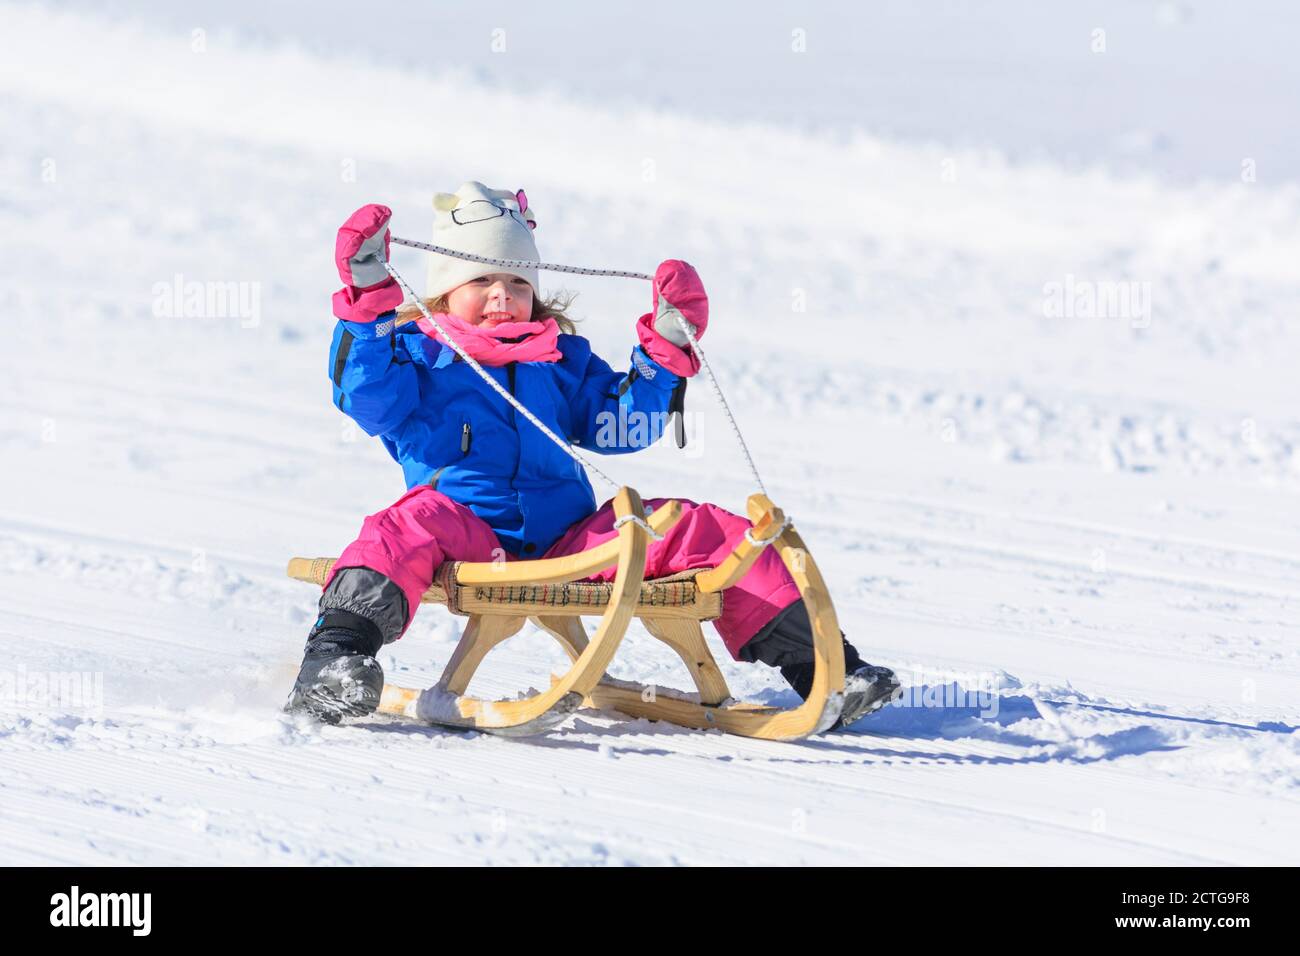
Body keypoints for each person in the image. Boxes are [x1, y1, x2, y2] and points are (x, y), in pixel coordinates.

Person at [285, 181, 900, 728]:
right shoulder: (417, 355)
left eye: (518, 282)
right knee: (401, 526)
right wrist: (367, 304)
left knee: (696, 526)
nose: (503, 296)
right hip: (465, 530)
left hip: (569, 540)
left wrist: (664, 350)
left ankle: (826, 670)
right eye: (482, 282)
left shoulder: (557, 359)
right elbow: (366, 398)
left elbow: (619, 424)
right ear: (444, 294)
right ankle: (337, 658)